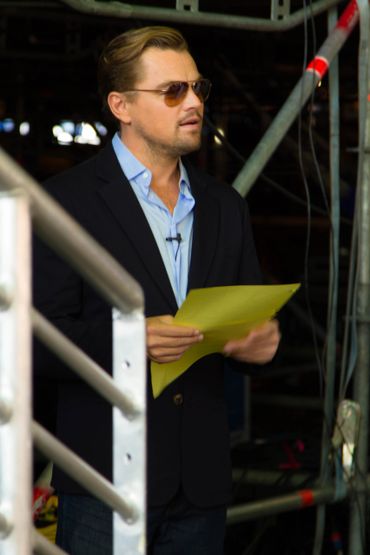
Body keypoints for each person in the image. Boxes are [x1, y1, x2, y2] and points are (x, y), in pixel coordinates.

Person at [33, 26, 280, 555]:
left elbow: (244, 324)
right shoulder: (66, 202)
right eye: (173, 91)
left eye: (197, 88)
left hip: (202, 483)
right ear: (120, 105)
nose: (193, 102)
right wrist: (131, 339)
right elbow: (34, 340)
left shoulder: (225, 206)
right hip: (106, 480)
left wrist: (257, 347)